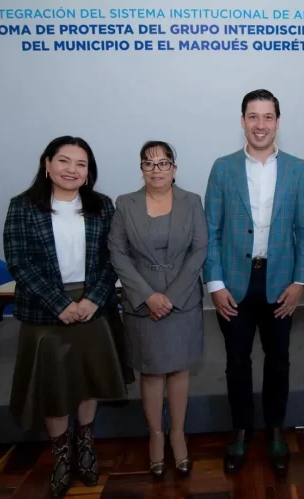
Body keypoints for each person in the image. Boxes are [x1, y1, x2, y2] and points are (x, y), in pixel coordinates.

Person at [3, 136, 127, 498]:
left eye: (81, 164)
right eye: (64, 161)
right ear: (47, 164)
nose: (72, 170)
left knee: (89, 378)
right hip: (46, 310)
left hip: (92, 307)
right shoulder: (23, 206)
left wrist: (93, 300)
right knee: (54, 385)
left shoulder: (102, 206)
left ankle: (85, 443)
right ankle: (60, 453)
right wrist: (59, 304)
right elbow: (19, 262)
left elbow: (112, 258)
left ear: (89, 172)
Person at [204, 89, 304, 476]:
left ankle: (275, 430)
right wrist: (215, 284)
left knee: (279, 361)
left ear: (277, 122)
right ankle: (240, 430)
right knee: (236, 362)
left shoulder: (297, 169)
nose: (260, 124)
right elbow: (211, 230)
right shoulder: (223, 168)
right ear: (242, 121)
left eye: (268, 117)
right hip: (234, 284)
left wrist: (300, 282)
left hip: (281, 283)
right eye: (253, 116)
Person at [108, 140, 208, 478]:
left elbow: (199, 250)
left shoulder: (192, 202)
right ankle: (155, 435)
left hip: (182, 301)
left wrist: (171, 296)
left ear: (174, 169)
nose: (156, 169)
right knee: (151, 372)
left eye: (163, 163)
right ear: (141, 169)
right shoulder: (125, 204)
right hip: (142, 303)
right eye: (149, 163)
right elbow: (118, 253)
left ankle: (177, 434)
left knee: (178, 370)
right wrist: (148, 296)